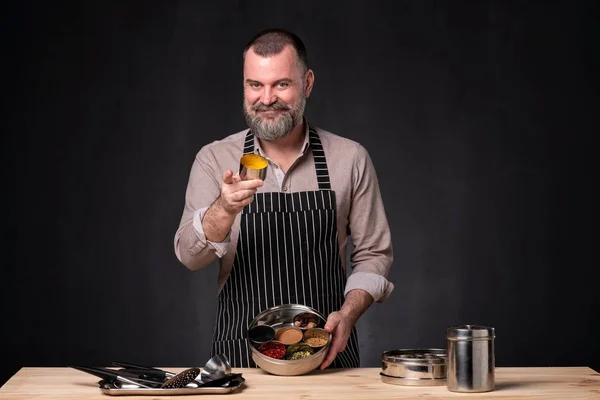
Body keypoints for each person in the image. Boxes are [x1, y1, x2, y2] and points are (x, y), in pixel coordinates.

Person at [174, 28, 394, 369]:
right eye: (255, 85)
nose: (266, 99)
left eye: (281, 84)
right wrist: (224, 208)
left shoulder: (349, 158)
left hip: (327, 356)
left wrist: (348, 314)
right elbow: (189, 255)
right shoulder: (214, 158)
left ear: (306, 83)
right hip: (241, 360)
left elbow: (373, 254)